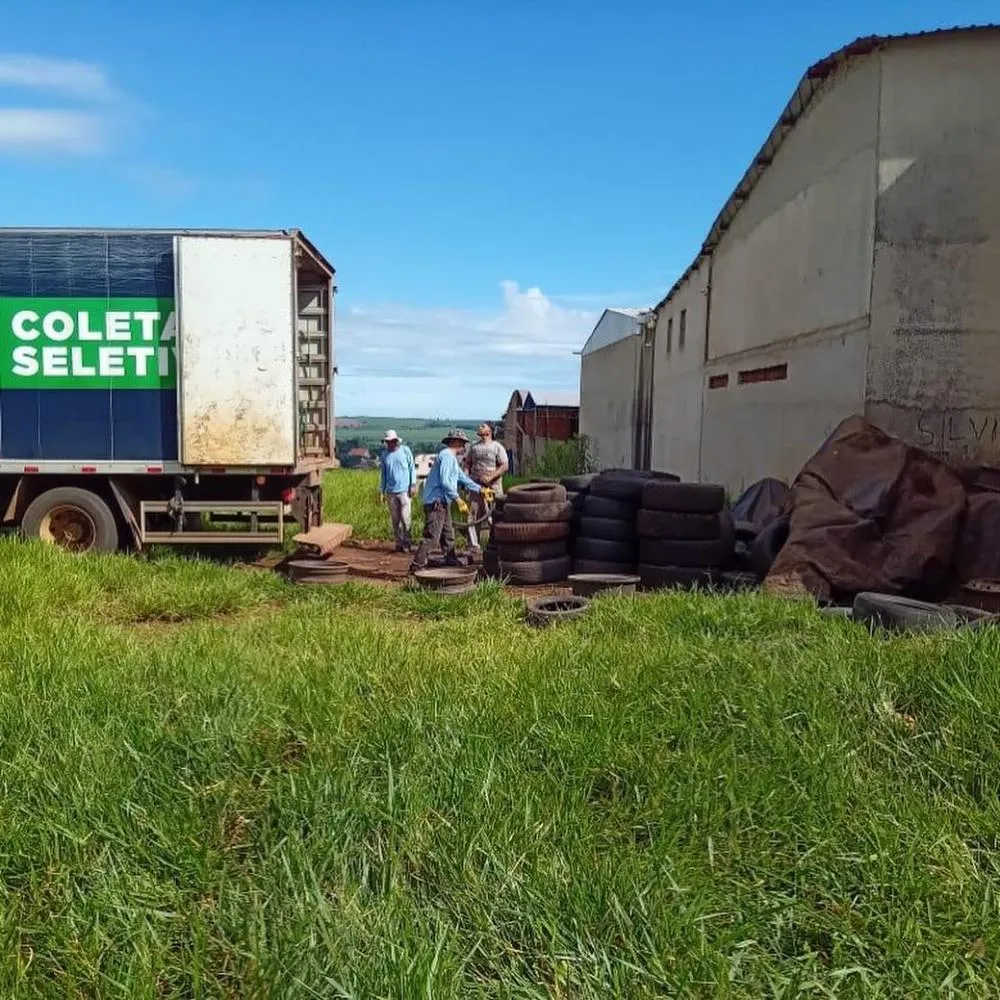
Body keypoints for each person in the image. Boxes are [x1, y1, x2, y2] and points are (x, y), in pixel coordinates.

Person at [409, 429, 492, 572]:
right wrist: (458, 499)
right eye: (462, 443)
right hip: (436, 502)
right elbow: (446, 482)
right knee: (432, 537)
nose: (464, 447)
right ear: (456, 442)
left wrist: (480, 489)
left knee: (447, 534)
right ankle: (417, 566)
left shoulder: (451, 458)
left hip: (443, 502)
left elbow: (462, 478)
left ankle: (450, 559)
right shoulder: (446, 456)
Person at [464, 422, 509, 553]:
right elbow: (467, 464)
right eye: (480, 427)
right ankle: (473, 546)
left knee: (494, 515)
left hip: (493, 486)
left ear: (489, 431)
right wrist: (467, 479)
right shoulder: (474, 448)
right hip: (476, 485)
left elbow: (504, 466)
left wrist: (490, 477)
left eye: (484, 426)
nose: (481, 427)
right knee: (472, 515)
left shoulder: (497, 447)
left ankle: (496, 544)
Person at [378, 429, 417, 552]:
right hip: (391, 491)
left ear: (396, 441)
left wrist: (413, 484)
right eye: (388, 442)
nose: (391, 444)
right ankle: (398, 542)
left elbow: (412, 469)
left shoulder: (405, 451)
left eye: (393, 441)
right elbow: (383, 474)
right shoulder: (384, 455)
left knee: (406, 519)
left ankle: (407, 542)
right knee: (395, 520)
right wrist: (381, 491)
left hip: (404, 490)